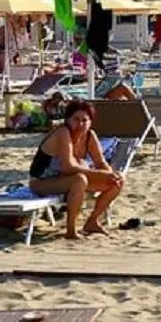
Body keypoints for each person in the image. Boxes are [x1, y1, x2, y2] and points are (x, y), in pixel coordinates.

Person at [26, 100, 125, 239]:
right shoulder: (62, 133)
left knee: (118, 180)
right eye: (76, 119)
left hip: (66, 179)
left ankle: (92, 221)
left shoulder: (90, 136)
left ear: (90, 121)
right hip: (42, 182)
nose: (80, 124)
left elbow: (100, 162)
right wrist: (101, 174)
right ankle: (70, 231)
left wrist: (111, 175)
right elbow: (68, 167)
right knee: (79, 180)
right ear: (68, 120)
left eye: (85, 120)